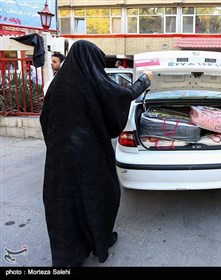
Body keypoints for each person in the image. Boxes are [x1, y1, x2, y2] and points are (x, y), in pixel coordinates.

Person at [40, 40, 153, 267]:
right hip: (90, 157)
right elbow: (122, 95)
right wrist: (145, 80)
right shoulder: (95, 83)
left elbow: (45, 119)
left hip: (59, 160)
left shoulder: (56, 85)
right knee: (100, 197)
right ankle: (100, 240)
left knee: (66, 204)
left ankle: (70, 255)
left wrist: (56, 146)